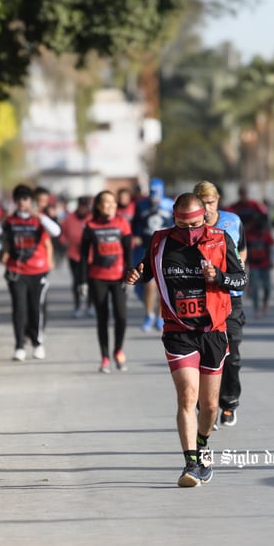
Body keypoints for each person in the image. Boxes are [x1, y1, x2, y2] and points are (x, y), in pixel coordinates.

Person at [125, 193, 247, 487]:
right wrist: (136, 275)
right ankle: (191, 464)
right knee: (187, 397)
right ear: (173, 220)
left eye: (193, 224)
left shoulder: (220, 240)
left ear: (204, 217)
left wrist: (218, 276)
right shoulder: (161, 241)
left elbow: (241, 279)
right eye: (181, 224)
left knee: (209, 405)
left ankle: (203, 446)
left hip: (214, 331)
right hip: (178, 331)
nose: (188, 231)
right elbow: (147, 270)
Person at [194, 181, 247, 428]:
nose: (207, 208)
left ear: (218, 201)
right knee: (205, 354)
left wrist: (235, 269)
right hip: (202, 298)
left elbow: (242, 251)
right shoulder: (189, 226)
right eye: (202, 203)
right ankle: (206, 407)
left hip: (230, 297)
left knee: (232, 353)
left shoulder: (233, 221)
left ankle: (229, 402)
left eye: (211, 202)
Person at [1, 183, 62, 362]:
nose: (22, 203)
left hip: (38, 270)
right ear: (15, 201)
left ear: (31, 201)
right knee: (19, 309)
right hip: (16, 271)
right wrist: (1, 220)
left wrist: (40, 216)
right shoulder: (10, 221)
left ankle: (37, 343)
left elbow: (56, 232)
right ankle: (19, 346)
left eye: (26, 199)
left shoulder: (39, 219)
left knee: (35, 308)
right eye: (19, 199)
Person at [79, 190, 133, 373]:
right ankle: (104, 357)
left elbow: (129, 252)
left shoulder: (122, 223)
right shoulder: (90, 225)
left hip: (118, 278)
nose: (109, 206)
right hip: (97, 277)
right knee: (102, 318)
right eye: (105, 203)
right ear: (98, 207)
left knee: (122, 317)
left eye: (112, 203)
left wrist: (130, 274)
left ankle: (118, 350)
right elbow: (84, 255)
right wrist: (82, 281)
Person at [131, 177, 174, 331]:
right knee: (148, 285)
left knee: (162, 284)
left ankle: (161, 316)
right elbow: (135, 223)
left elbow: (177, 223)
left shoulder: (170, 205)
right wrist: (135, 235)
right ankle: (149, 314)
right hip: (145, 247)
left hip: (165, 249)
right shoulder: (141, 205)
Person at [59, 196, 94, 318]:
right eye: (81, 206)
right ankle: (78, 306)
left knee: (90, 281)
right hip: (74, 255)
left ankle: (90, 306)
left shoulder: (92, 218)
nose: (83, 209)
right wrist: (65, 241)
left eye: (86, 206)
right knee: (77, 281)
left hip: (89, 256)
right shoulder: (69, 218)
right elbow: (61, 233)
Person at [246, 213, 274, 318]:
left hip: (265, 264)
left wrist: (272, 260)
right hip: (254, 265)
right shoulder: (248, 234)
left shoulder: (266, 234)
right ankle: (256, 308)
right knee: (255, 288)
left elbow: (272, 248)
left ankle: (265, 302)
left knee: (267, 287)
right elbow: (245, 250)